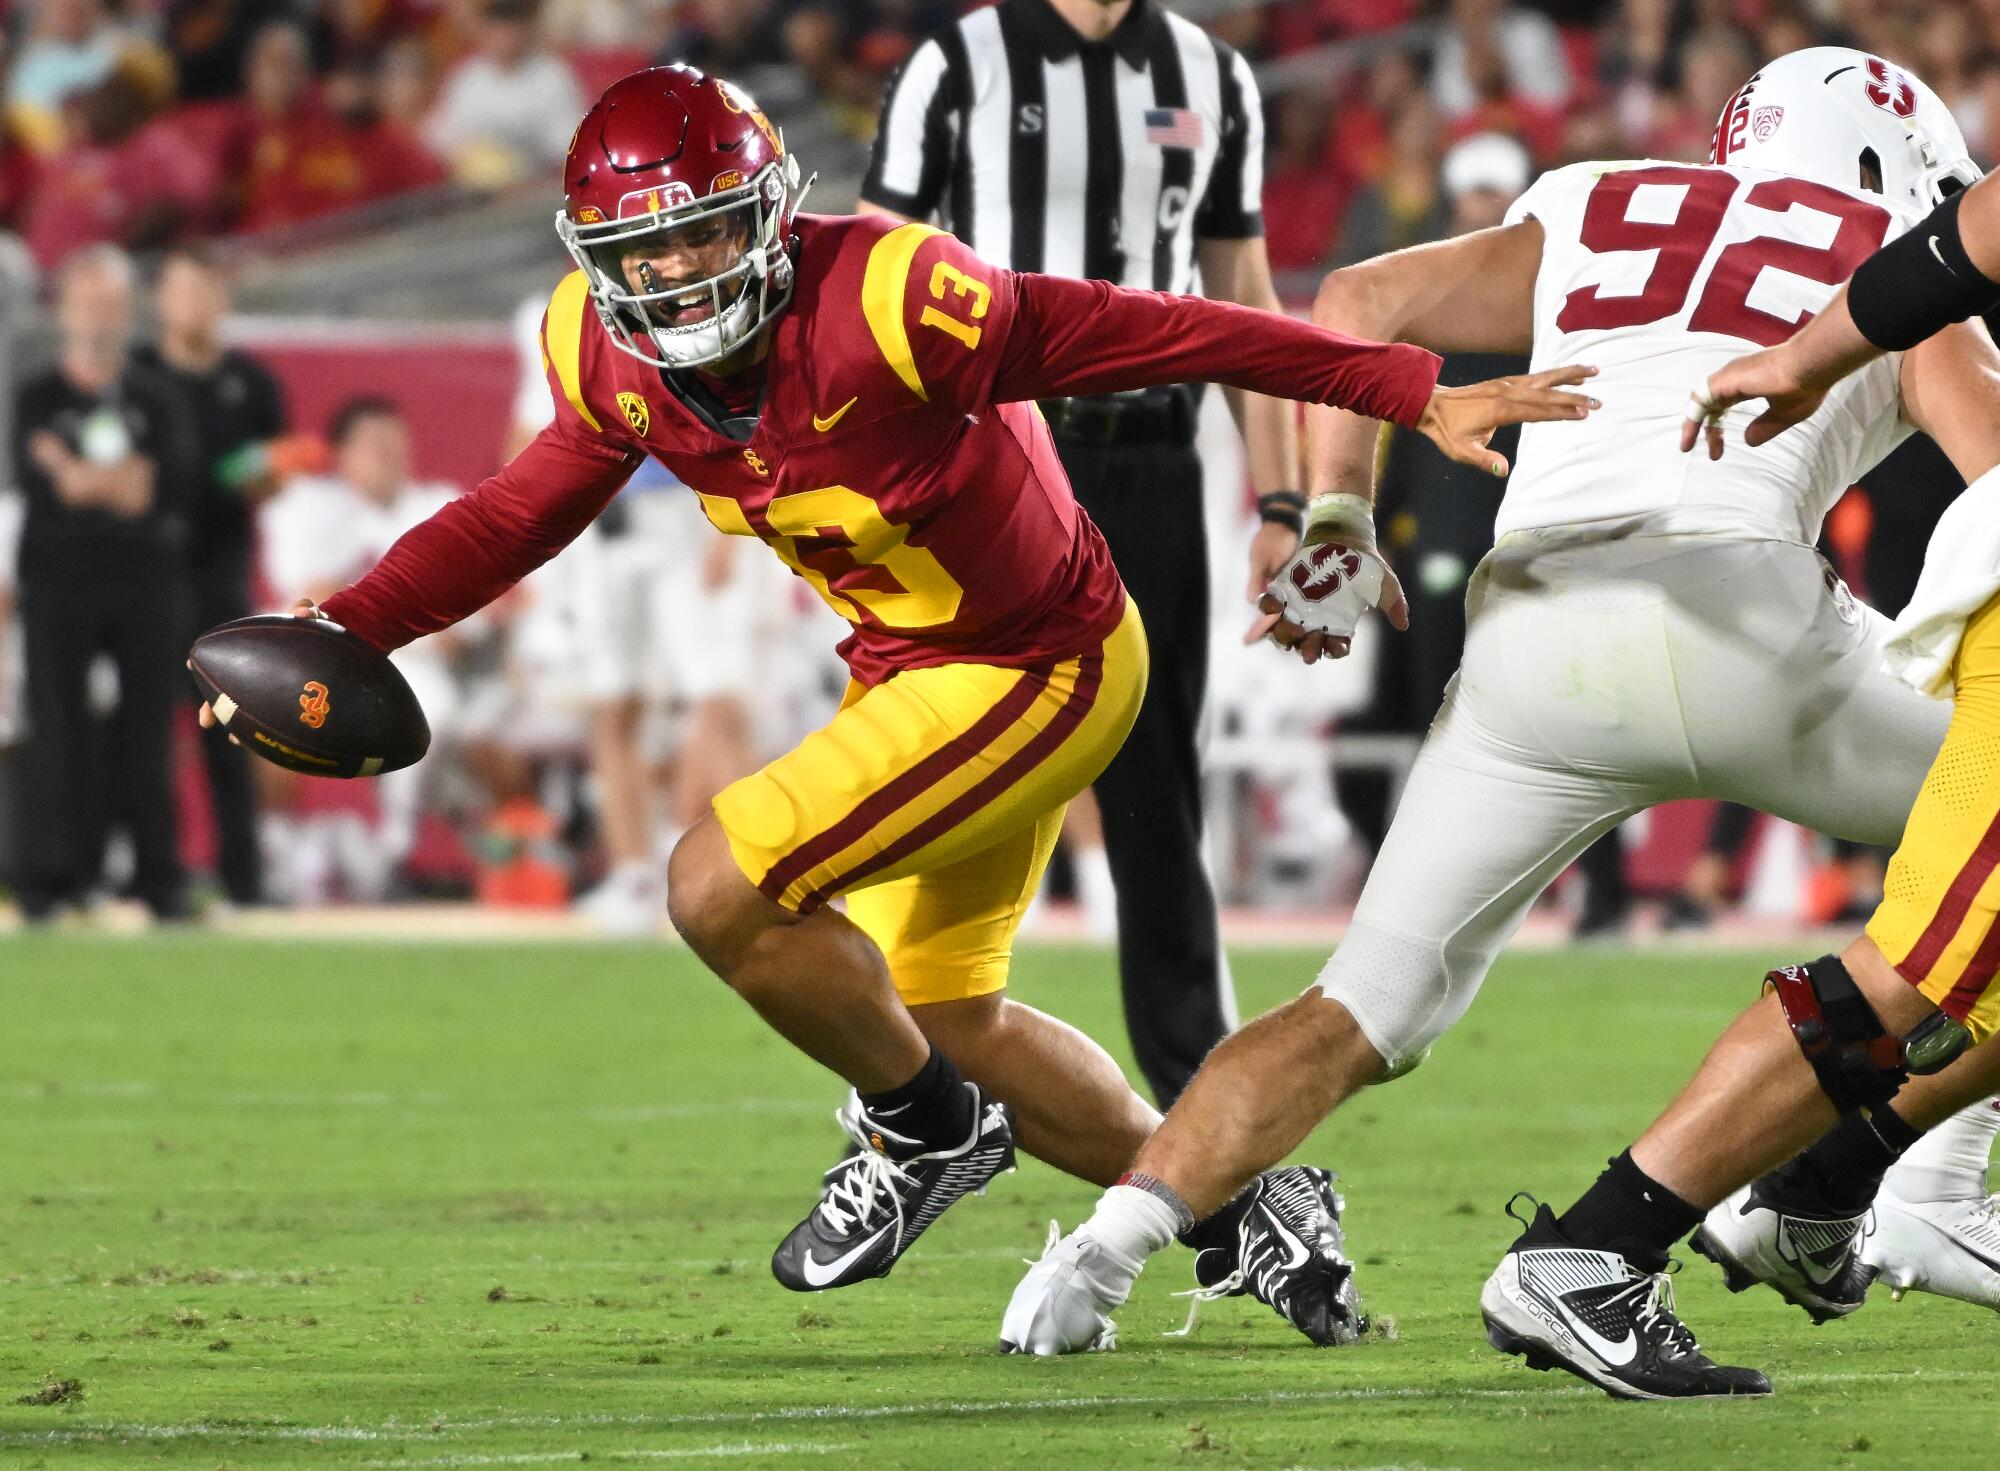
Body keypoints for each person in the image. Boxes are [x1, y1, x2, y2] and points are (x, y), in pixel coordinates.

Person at [229, 66, 1589, 1329]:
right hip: (918, 666)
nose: (673, 272)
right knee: (946, 1022)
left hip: (1038, 662)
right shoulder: (604, 349)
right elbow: (515, 511)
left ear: (765, 215)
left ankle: (923, 1130)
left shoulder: (892, 300)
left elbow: (1159, 324)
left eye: (701, 234)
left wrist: (1403, 384)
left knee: (719, 886)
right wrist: (349, 621)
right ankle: (1243, 1197)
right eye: (643, 249)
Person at [1000, 47, 2000, 1388]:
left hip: (1533, 632)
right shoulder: (1898, 252)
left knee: (1356, 1004)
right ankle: (1881, 1178)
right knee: (1977, 876)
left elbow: (1357, 298)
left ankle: (1095, 1255)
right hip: (1754, 632)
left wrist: (1341, 510)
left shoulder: (1601, 196)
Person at [860, 0, 1307, 1109]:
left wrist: (1284, 497)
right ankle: (898, 1078)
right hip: (992, 451)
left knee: (1158, 780)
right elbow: (863, 278)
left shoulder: (1211, 75)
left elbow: (1242, 294)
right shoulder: (956, 64)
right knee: (950, 747)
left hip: (1154, 451)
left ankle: (1201, 1097)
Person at [12, 244, 195, 921]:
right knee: (54, 726)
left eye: (110, 305)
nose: (97, 318)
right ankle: (50, 881)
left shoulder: (154, 396)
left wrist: (79, 474)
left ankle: (157, 878)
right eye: (85, 303)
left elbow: (149, 490)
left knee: (147, 730)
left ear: (130, 314)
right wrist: (97, 481)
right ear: (61, 312)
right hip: (58, 582)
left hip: (141, 581)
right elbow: (51, 481)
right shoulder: (36, 394)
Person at [137, 245, 297, 907]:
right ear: (159, 302)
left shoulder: (252, 384)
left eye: (204, 291)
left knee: (234, 726)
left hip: (220, 570)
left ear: (221, 301)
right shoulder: (138, 377)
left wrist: (267, 477)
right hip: (144, 573)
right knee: (147, 729)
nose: (193, 304)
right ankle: (155, 872)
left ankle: (244, 875)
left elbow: (275, 471)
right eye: (180, 291)